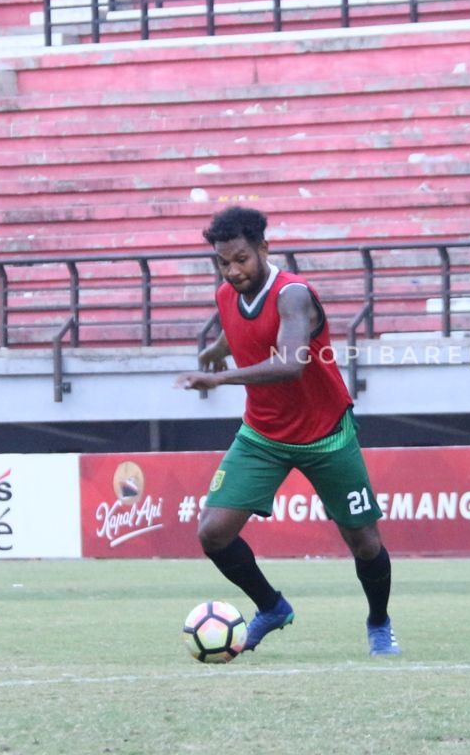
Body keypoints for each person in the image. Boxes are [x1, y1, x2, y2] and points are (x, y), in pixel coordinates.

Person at [175, 206, 400, 657]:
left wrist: (219, 379)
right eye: (223, 262)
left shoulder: (293, 295)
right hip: (263, 435)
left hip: (326, 434)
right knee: (213, 533)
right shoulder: (226, 295)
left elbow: (292, 364)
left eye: (241, 258)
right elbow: (237, 330)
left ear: (263, 248)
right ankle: (272, 607)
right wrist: (216, 352)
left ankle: (379, 622)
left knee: (364, 542)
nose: (233, 270)